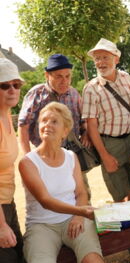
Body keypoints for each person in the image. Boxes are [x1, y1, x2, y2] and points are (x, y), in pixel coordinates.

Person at [19, 102, 118, 263]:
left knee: (93, 261)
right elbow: (45, 201)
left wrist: (77, 215)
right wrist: (82, 212)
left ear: (65, 130)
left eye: (54, 121)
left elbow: (81, 193)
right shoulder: (28, 162)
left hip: (74, 219)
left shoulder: (71, 157)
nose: (47, 125)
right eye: (44, 121)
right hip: (41, 226)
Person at [18, 53, 92, 198]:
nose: (64, 81)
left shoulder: (74, 94)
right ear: (47, 75)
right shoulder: (36, 94)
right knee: (51, 198)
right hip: (45, 158)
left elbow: (84, 119)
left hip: (72, 156)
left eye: (67, 76)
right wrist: (28, 159)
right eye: (59, 76)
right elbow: (23, 126)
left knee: (82, 195)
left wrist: (85, 133)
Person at [82, 38, 130, 202]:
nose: (100, 62)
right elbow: (91, 126)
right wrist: (105, 156)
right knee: (118, 194)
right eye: (97, 58)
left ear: (116, 58)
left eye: (104, 57)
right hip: (109, 144)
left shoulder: (127, 77)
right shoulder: (91, 89)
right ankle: (127, 225)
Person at [0, 58, 26, 263]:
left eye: (16, 85)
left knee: (17, 256)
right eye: (4, 85)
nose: (12, 90)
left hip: (8, 200)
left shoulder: (7, 115)